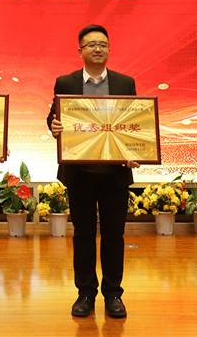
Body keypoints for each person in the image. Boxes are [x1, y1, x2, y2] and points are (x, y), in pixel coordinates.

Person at [47, 24, 140, 319]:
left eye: (103, 44)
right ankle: (85, 293)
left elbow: (135, 123)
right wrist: (54, 125)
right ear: (80, 51)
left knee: (114, 235)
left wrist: (135, 150)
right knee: (83, 235)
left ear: (109, 50)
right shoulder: (66, 82)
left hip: (114, 173)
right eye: (91, 45)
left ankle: (113, 294)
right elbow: (53, 117)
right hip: (80, 172)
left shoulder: (125, 83)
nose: (97, 49)